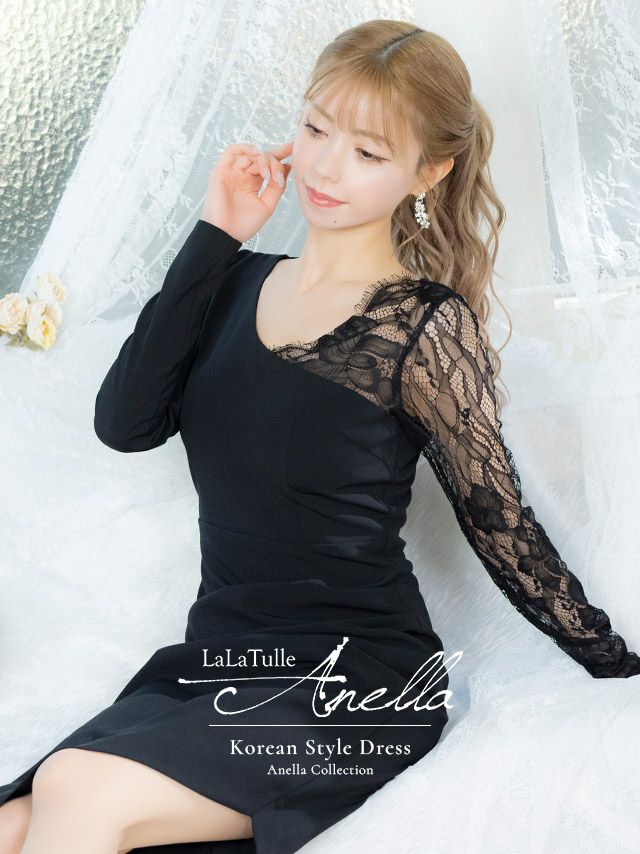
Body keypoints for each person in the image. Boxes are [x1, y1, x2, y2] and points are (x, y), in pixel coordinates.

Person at [1, 18, 638, 854]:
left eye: (368, 152)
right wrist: (215, 233)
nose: (327, 167)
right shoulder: (229, 279)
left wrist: (615, 664)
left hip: (359, 685)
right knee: (16, 820)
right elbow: (124, 424)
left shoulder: (419, 325)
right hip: (222, 664)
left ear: (429, 171)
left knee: (77, 787)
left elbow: (500, 523)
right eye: (315, 129)